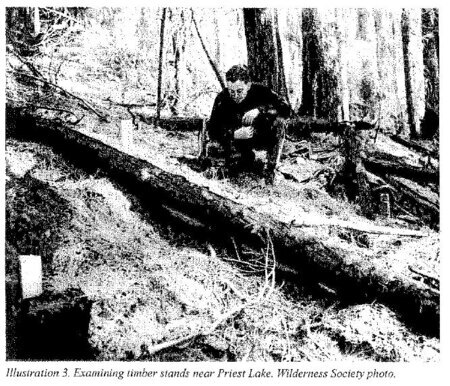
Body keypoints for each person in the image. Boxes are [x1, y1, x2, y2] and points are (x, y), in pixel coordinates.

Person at [205, 65, 291, 184]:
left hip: (260, 137)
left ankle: (270, 168)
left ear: (248, 85)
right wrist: (233, 134)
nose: (235, 96)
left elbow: (285, 108)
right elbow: (213, 129)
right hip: (235, 142)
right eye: (232, 92)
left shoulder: (261, 91)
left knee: (280, 122)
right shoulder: (222, 98)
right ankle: (235, 166)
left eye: (239, 91)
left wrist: (260, 110)